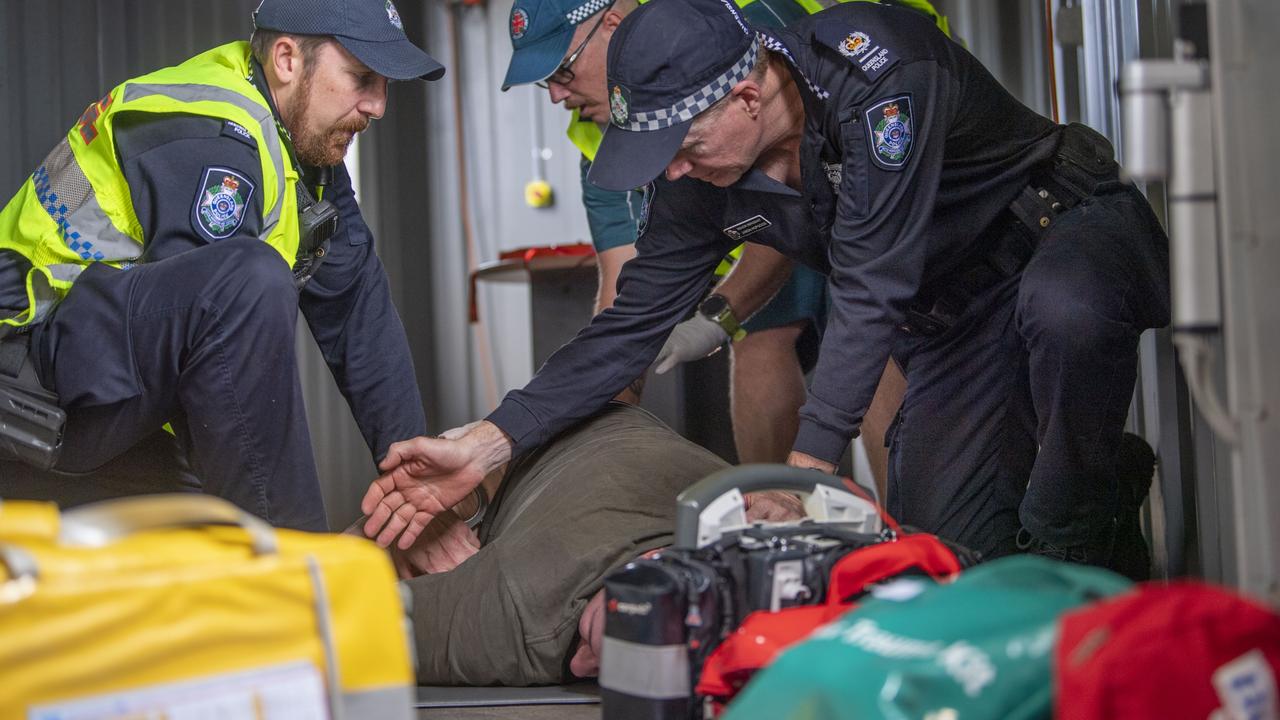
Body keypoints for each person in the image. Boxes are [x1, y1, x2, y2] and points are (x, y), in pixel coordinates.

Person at [362, 0, 1169, 578]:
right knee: (951, 559)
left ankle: (1078, 513)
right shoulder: (697, 165)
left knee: (1065, 318)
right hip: (957, 310)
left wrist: (808, 465)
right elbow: (626, 326)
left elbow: (870, 287)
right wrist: (487, 442)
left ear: (746, 96)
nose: (676, 173)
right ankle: (1089, 500)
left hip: (1060, 230)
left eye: (684, 148)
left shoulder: (881, 71)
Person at [0, 0, 443, 531]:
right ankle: (291, 575)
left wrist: (419, 491)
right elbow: (216, 345)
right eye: (362, 78)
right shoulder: (210, 134)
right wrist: (291, 549)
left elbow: (357, 313)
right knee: (244, 281)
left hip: (101, 377)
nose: (378, 105)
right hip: (28, 382)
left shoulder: (302, 150)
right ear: (286, 60)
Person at [501, 0, 944, 465]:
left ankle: (899, 521)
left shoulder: (731, 34)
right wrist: (602, 425)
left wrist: (717, 317)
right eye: (542, 82)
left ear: (611, 24)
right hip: (770, 195)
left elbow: (785, 205)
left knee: (866, 325)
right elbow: (627, 302)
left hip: (874, 154)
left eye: (562, 70)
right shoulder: (596, 138)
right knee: (759, 338)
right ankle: (780, 518)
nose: (553, 95)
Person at [387, 402, 729, 685]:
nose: (579, 667)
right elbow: (344, 628)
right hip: (515, 453)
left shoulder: (745, 532)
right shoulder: (520, 615)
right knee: (387, 536)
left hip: (619, 423)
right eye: (594, 653)